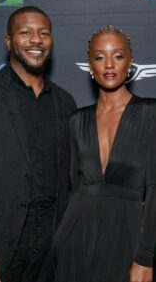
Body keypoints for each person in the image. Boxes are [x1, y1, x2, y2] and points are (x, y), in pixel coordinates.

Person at [0, 6, 76, 282]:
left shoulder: (65, 103)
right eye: (26, 32)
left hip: (53, 251)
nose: (36, 39)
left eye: (44, 33)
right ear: (9, 41)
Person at [54, 25, 156, 282]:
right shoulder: (77, 120)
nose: (109, 64)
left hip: (128, 239)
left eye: (118, 56)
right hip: (76, 237)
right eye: (99, 57)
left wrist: (145, 256)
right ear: (89, 65)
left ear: (130, 62)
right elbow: (71, 187)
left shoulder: (150, 114)